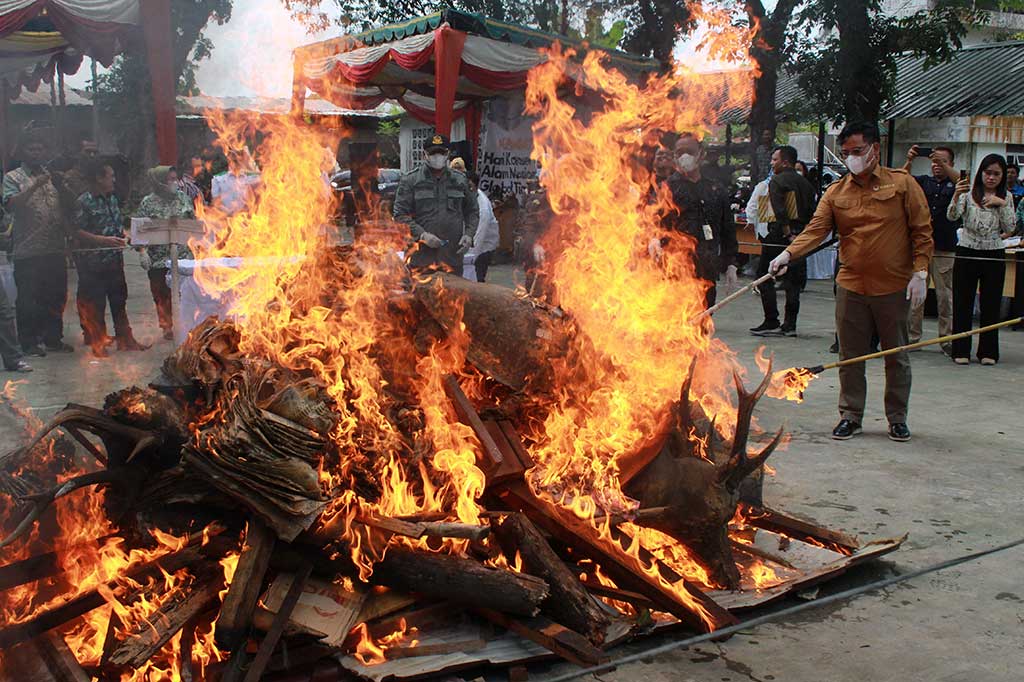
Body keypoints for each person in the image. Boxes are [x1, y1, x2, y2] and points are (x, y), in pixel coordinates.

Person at [769, 121, 933, 443]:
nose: (852, 158)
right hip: (851, 286)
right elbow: (816, 231)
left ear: (875, 148)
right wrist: (787, 255)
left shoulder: (902, 185)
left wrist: (920, 272)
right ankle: (850, 415)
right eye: (846, 153)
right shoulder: (836, 192)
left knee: (896, 355)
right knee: (850, 355)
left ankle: (897, 418)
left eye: (857, 151)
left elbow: (922, 230)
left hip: (892, 285)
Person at [1, 131, 71, 356]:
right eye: (32, 149)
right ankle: (29, 342)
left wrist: (62, 185)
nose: (36, 153)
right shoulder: (12, 177)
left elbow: (68, 206)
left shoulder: (51, 176)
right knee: (29, 299)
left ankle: (53, 339)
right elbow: (11, 205)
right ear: (23, 152)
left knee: (56, 295)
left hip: (54, 248)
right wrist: (33, 186)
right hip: (27, 250)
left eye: (40, 149)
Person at [653, 133, 738, 308]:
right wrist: (653, 240)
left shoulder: (715, 188)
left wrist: (731, 263)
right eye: (679, 152)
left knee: (704, 320)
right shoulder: (666, 189)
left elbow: (727, 228)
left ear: (701, 153)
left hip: (707, 266)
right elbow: (653, 222)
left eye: (689, 151)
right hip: (676, 267)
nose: (684, 156)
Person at [947, 154, 1016, 365]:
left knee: (991, 303)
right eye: (988, 173)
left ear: (1002, 176)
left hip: (994, 252)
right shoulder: (968, 193)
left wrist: (1001, 203)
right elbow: (952, 216)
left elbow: (1011, 227)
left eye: (996, 174)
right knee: (963, 302)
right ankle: (960, 350)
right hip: (967, 250)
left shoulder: (1007, 197)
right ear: (981, 173)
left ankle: (988, 352)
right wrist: (956, 195)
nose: (991, 178)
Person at [73, 159, 146, 357]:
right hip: (92, 263)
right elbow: (76, 231)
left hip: (114, 260)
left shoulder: (111, 198)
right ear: (98, 178)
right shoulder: (83, 201)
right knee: (95, 304)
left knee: (119, 301)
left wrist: (126, 237)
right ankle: (98, 342)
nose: (114, 180)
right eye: (110, 176)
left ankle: (125, 339)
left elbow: (115, 224)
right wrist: (101, 240)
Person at [750, 145, 815, 336]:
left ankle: (772, 320)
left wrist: (787, 233)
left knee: (764, 275)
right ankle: (790, 325)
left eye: (774, 160)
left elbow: (779, 210)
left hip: (779, 236)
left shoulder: (777, 181)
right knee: (793, 282)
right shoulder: (806, 184)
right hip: (802, 235)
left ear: (785, 162)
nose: (772, 163)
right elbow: (812, 211)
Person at [901, 145, 960, 353]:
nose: (937, 165)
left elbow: (964, 182)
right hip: (921, 247)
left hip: (945, 247)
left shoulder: (956, 184)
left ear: (951, 163)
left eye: (943, 161)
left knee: (945, 296)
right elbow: (901, 180)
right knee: (916, 294)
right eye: (934, 161)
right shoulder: (923, 182)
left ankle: (946, 340)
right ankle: (912, 337)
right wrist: (910, 160)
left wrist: (945, 164)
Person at [393, 133, 479, 277]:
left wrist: (469, 235)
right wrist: (422, 234)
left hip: (451, 257)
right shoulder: (411, 180)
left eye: (441, 153)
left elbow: (472, 211)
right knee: (420, 298)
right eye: (433, 153)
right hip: (421, 258)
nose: (437, 157)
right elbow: (399, 215)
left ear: (448, 154)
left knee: (453, 298)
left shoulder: (460, 181)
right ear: (424, 155)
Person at [136, 166, 195, 340]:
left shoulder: (184, 199)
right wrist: (142, 251)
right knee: (161, 295)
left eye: (175, 178)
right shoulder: (148, 202)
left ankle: (185, 324)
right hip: (158, 260)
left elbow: (194, 224)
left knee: (184, 294)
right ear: (160, 182)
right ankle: (167, 327)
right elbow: (139, 230)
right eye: (170, 179)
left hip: (182, 257)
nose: (174, 183)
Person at [467, 172, 499, 283]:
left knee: (477, 280)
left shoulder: (482, 208)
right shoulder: (468, 198)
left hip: (483, 248)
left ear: (475, 187)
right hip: (469, 244)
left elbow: (478, 238)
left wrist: (468, 260)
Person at [211, 149, 259, 215]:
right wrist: (229, 213)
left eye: (240, 160)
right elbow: (215, 203)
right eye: (235, 161)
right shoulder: (218, 179)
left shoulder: (250, 178)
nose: (237, 163)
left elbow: (266, 178)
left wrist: (248, 159)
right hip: (223, 220)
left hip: (245, 219)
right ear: (229, 161)